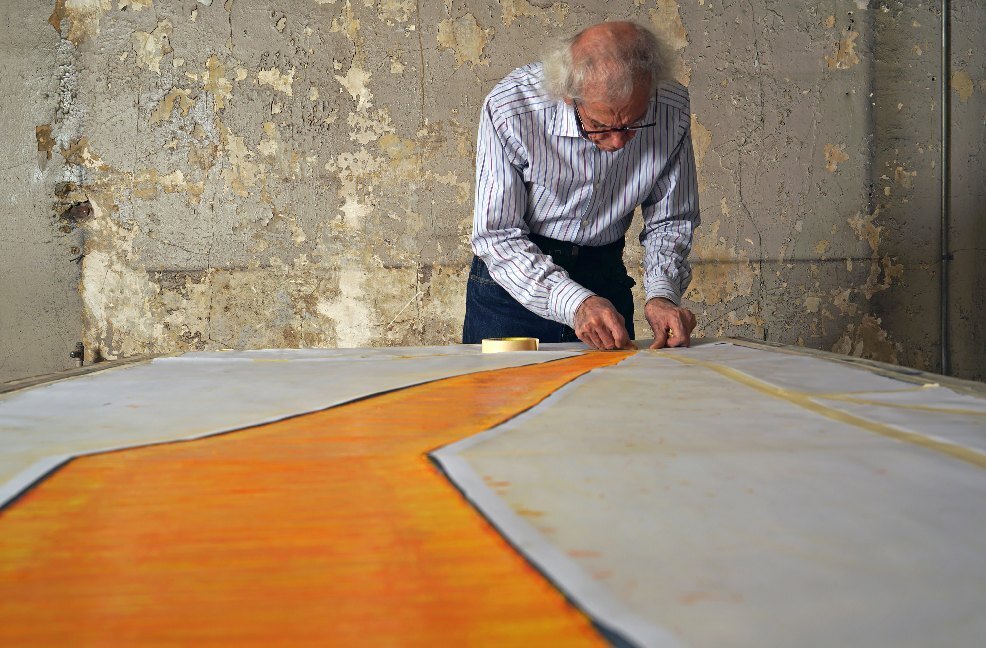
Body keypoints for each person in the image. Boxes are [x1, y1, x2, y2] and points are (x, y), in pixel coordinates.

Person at [461, 21, 699, 350]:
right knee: (503, 386)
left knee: (610, 385)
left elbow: (671, 220)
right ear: (568, 96)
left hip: (605, 275)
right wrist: (577, 303)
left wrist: (662, 295)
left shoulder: (671, 107)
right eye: (600, 125)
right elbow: (496, 235)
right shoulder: (512, 107)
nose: (617, 143)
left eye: (634, 124)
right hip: (513, 284)